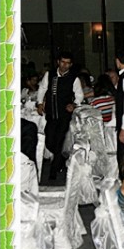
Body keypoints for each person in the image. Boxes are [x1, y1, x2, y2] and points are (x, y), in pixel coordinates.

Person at [36, 51, 84, 180]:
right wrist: (39, 103)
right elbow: (42, 89)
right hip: (51, 114)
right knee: (49, 140)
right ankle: (61, 159)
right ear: (58, 62)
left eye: (67, 63)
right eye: (63, 62)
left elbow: (79, 94)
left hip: (64, 115)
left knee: (59, 141)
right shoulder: (49, 74)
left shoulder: (74, 78)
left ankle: (53, 171)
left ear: (71, 64)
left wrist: (74, 104)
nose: (64, 65)